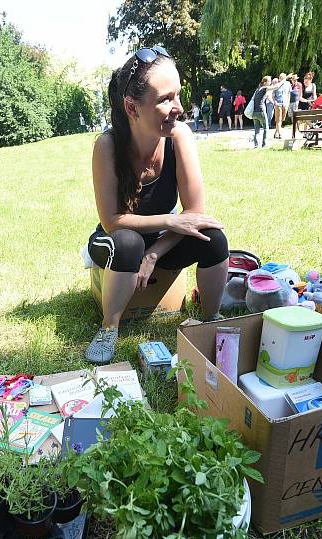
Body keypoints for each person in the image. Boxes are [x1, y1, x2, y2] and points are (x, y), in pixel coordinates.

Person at [84, 46, 230, 364]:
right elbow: (112, 221)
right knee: (127, 242)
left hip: (162, 242)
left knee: (213, 237)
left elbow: (194, 214)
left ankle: (211, 319)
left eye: (178, 95)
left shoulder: (179, 137)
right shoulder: (107, 146)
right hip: (114, 242)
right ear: (132, 108)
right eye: (165, 99)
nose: (178, 107)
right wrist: (170, 221)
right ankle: (109, 326)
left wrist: (154, 253)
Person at [273, 72, 292, 139]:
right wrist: (275, 102)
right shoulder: (277, 84)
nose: (281, 79)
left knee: (282, 119)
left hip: (285, 104)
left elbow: (289, 93)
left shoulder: (288, 84)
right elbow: (273, 95)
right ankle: (280, 134)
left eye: (282, 78)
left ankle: (276, 132)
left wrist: (288, 102)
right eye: (280, 77)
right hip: (278, 104)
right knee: (278, 119)